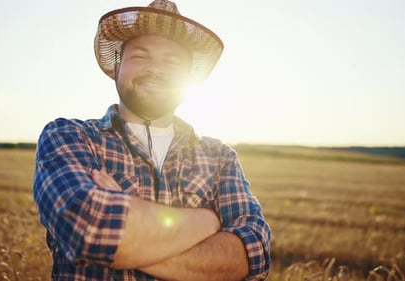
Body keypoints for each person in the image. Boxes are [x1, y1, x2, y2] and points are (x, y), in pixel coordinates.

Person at [33, 0, 271, 280]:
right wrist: (208, 221)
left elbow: (252, 255)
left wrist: (129, 234)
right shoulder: (70, 137)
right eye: (141, 57)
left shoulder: (219, 157)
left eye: (172, 62)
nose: (155, 70)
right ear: (118, 66)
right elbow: (90, 230)